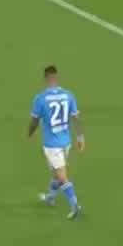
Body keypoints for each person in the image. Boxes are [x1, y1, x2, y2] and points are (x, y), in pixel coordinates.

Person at [26, 65, 84, 219]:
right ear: (57, 77)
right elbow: (76, 117)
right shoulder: (68, 95)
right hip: (66, 142)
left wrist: (30, 133)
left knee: (62, 177)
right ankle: (50, 196)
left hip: (52, 144)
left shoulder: (40, 98)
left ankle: (74, 206)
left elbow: (34, 120)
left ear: (45, 78)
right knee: (56, 174)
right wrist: (80, 137)